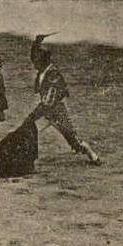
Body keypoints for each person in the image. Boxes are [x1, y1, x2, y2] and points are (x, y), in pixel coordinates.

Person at [28, 35, 101, 165]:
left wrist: (36, 113)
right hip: (46, 111)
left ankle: (92, 155)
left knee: (73, 139)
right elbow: (33, 53)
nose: (34, 63)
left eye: (37, 60)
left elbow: (48, 102)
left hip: (56, 112)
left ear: (43, 60)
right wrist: (37, 42)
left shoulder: (53, 73)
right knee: (28, 129)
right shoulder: (43, 71)